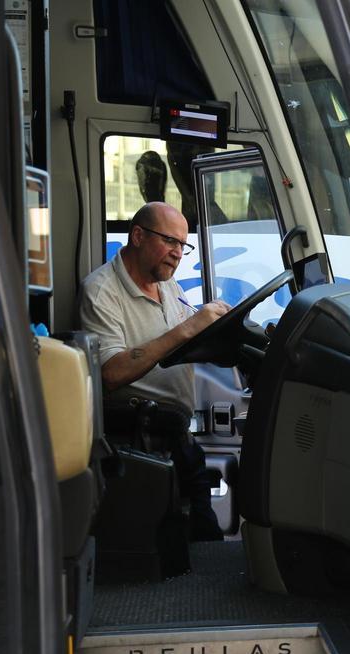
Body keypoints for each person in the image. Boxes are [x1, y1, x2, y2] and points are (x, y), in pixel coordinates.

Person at [80, 201, 230, 540]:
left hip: (179, 435)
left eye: (183, 245)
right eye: (170, 242)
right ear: (137, 236)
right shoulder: (101, 292)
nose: (178, 253)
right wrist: (188, 328)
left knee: (203, 538)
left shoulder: (166, 284)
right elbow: (111, 373)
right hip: (141, 437)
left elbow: (189, 339)